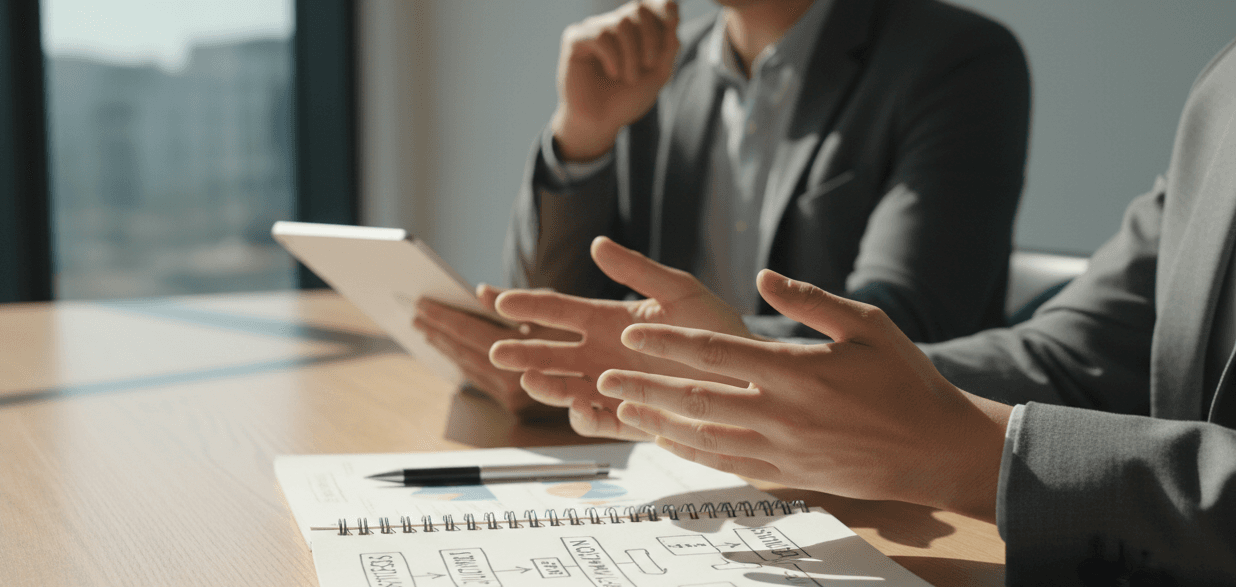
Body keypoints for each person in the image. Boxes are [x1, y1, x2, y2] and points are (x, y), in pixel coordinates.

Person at [511, 37, 1236, 587]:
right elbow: (1076, 356)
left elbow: (911, 308)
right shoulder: (1225, 89)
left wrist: (985, 460)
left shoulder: (948, 57)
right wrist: (735, 358)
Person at [414, 0, 1030, 415]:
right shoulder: (656, 69)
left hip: (872, 491)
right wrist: (583, 136)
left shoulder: (956, 59)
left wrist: (628, 359)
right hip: (681, 463)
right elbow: (557, 310)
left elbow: (902, 333)